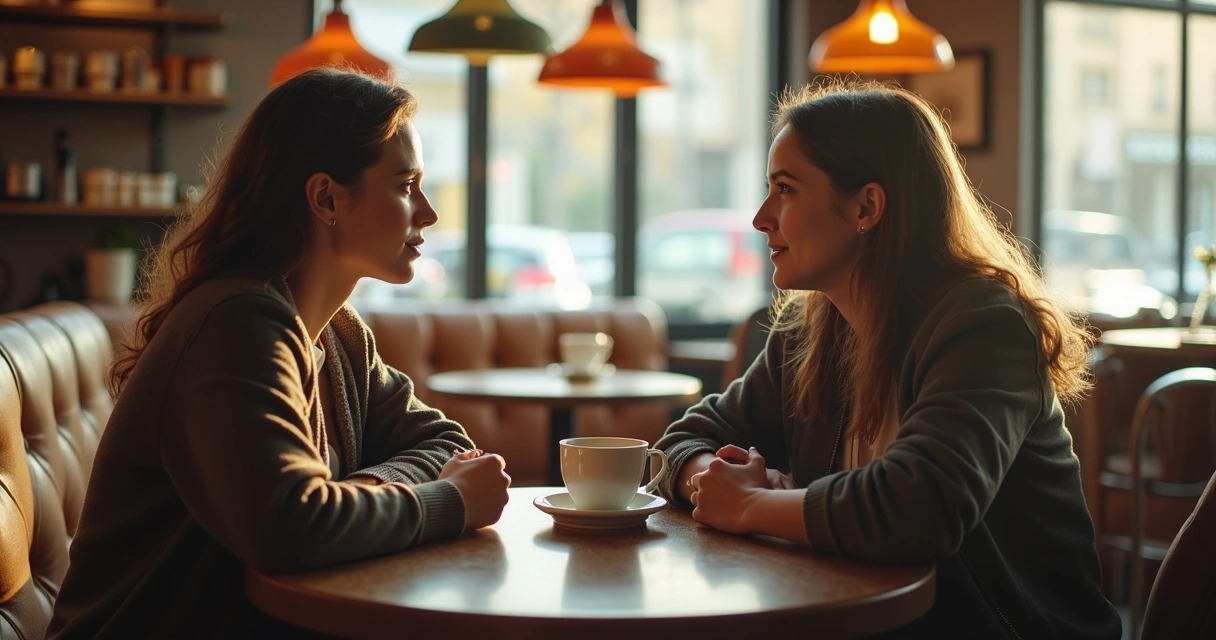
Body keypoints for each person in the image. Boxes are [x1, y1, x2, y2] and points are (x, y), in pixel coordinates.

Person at [48, 68, 511, 638]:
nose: (428, 213)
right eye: (405, 185)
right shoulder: (235, 324)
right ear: (326, 198)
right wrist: (449, 501)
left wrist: (359, 494)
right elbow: (289, 529)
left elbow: (448, 444)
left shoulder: (338, 333)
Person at [654, 80, 1122, 639]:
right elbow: (681, 441)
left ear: (867, 207)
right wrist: (715, 482)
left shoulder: (986, 326)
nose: (761, 217)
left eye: (785, 189)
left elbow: (920, 509)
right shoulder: (810, 330)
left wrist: (751, 505)